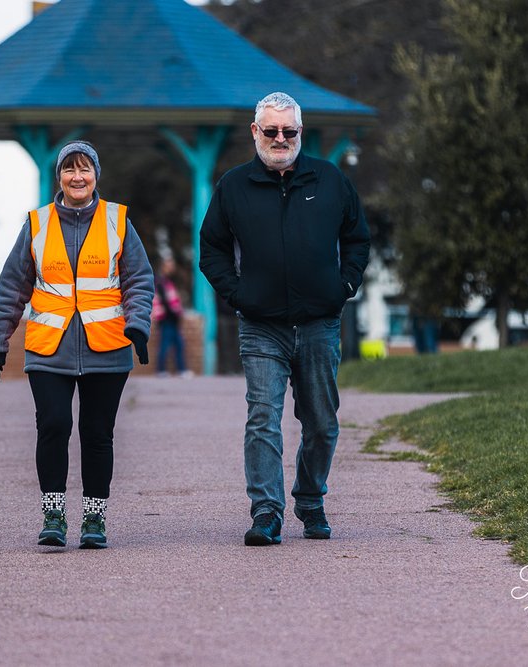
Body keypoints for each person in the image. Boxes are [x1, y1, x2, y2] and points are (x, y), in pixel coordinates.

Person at [199, 92, 370, 546]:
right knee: (262, 418)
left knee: (321, 422)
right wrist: (239, 295)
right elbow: (211, 249)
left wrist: (344, 287)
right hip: (261, 326)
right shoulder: (233, 187)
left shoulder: (330, 180)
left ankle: (310, 499)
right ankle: (267, 512)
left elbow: (358, 239)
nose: (280, 139)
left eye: (289, 131)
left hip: (319, 323)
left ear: (300, 132)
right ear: (255, 132)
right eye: (271, 130)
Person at [0, 141, 154, 550]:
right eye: (69, 170)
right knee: (54, 426)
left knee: (98, 434)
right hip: (49, 348)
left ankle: (94, 520)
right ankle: (53, 514)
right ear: (58, 176)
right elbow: (13, 286)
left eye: (85, 169)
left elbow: (138, 279)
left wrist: (138, 324)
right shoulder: (37, 224)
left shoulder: (118, 220)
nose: (77, 177)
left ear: (97, 175)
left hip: (107, 347)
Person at [152, 256, 191, 377]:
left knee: (178, 344)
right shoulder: (160, 281)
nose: (172, 268)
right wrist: (174, 314)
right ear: (164, 266)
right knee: (166, 344)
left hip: (171, 318)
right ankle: (162, 370)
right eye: (170, 265)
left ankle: (180, 369)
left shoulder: (167, 281)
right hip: (167, 318)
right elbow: (164, 301)